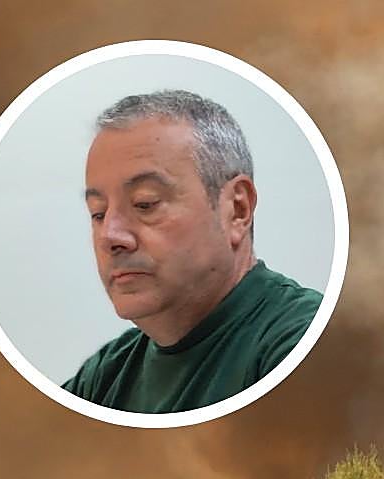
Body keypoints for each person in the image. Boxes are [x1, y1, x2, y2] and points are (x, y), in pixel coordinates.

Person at [63, 90, 322, 413]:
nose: (110, 236)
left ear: (236, 209)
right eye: (98, 213)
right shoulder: (105, 376)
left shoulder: (304, 342)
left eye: (145, 203)